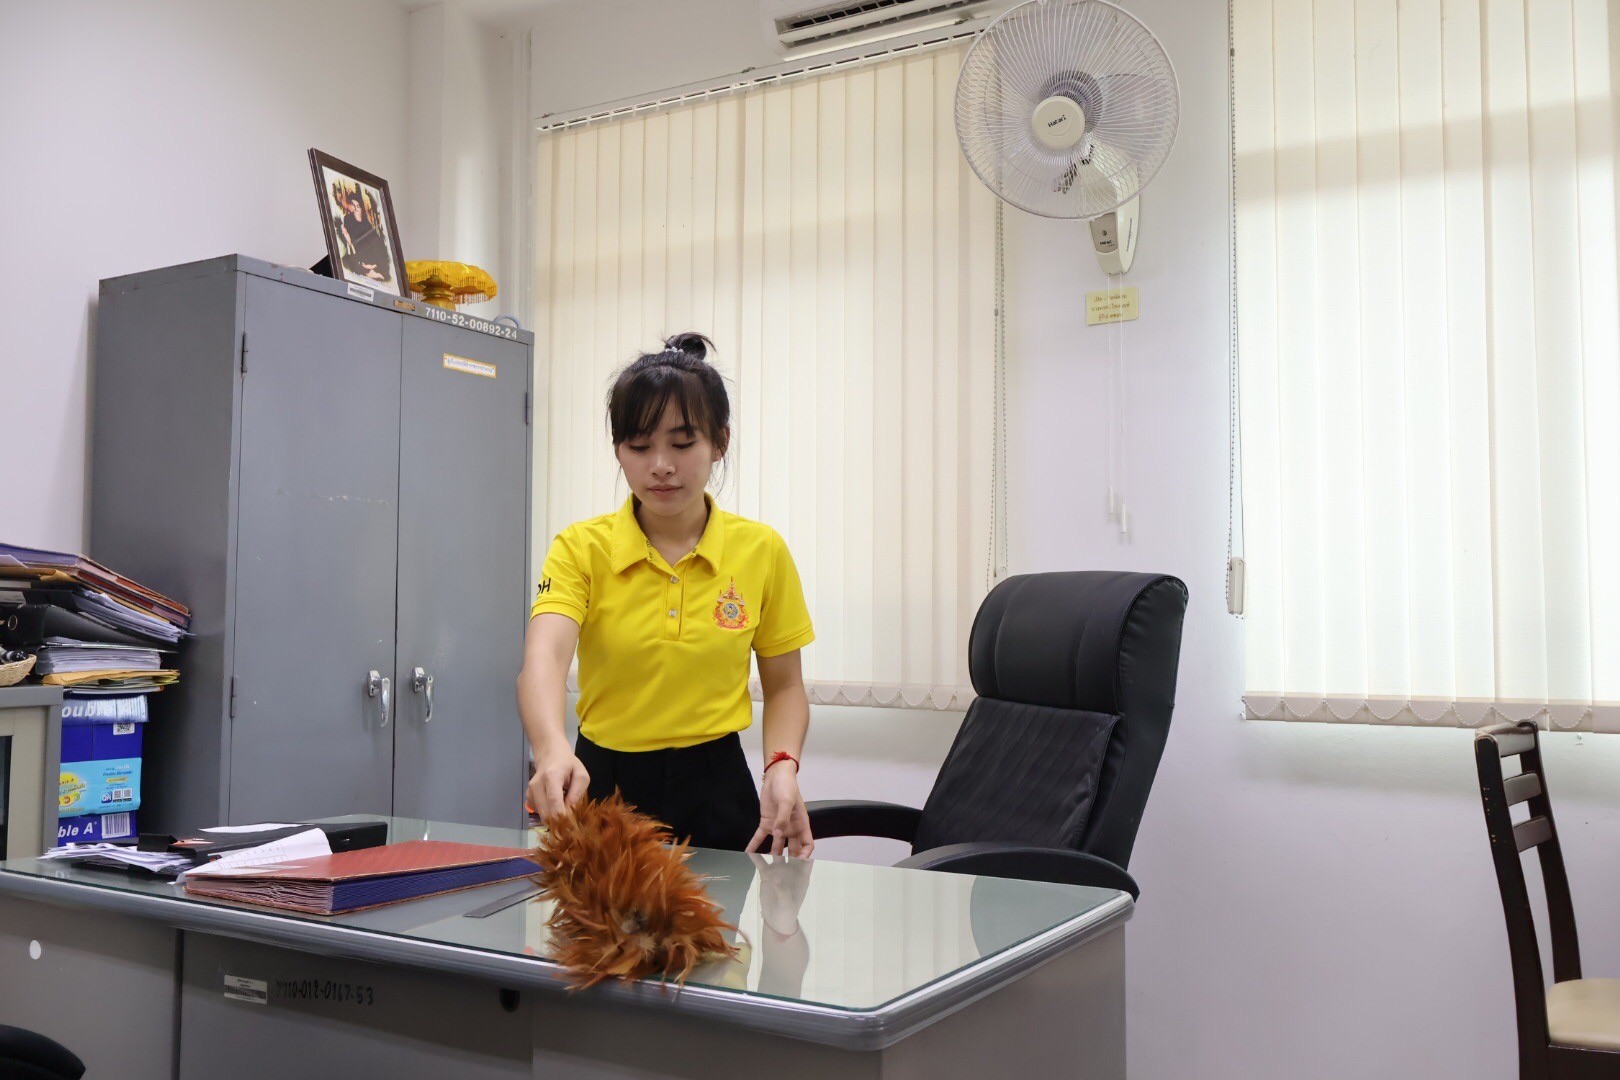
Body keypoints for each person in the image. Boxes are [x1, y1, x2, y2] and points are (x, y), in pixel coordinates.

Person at [519, 333, 816, 857]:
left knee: (719, 914)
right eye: (639, 446)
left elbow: (786, 684)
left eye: (682, 444)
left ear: (719, 442)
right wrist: (549, 749)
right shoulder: (581, 547)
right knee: (601, 915)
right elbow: (543, 658)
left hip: (717, 785)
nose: (660, 464)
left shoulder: (761, 550)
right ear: (618, 449)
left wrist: (782, 765)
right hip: (604, 784)